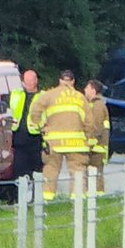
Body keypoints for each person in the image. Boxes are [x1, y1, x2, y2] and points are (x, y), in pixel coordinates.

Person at [27, 70, 89, 201]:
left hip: (53, 142)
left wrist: (40, 126)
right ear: (73, 81)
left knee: (51, 169)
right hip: (76, 143)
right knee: (78, 171)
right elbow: (89, 122)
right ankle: (78, 200)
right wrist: (88, 138)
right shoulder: (81, 97)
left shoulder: (49, 95)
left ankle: (47, 199)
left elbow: (35, 110)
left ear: (60, 81)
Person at [8, 70, 44, 190]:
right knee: (18, 169)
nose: (27, 83)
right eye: (26, 81)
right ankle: (18, 196)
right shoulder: (16, 94)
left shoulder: (43, 96)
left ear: (36, 81)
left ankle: (35, 195)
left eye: (30, 81)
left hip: (36, 138)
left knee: (36, 170)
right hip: (18, 137)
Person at [84, 79, 110, 194]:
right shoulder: (96, 104)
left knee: (96, 176)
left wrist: (88, 144)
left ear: (93, 90)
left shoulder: (97, 106)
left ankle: (98, 197)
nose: (85, 90)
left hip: (96, 148)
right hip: (96, 147)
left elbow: (96, 128)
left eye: (87, 88)